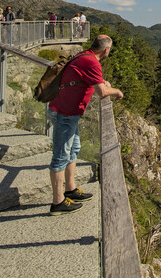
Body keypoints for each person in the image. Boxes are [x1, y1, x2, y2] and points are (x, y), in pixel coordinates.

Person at [47, 34, 123, 215]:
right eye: (110, 50)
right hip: (64, 113)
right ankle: (57, 202)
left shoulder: (84, 56)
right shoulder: (92, 62)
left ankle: (70, 189)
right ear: (106, 50)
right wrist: (117, 91)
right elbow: (102, 92)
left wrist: (102, 83)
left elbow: (91, 82)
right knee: (60, 156)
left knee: (73, 149)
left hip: (68, 113)